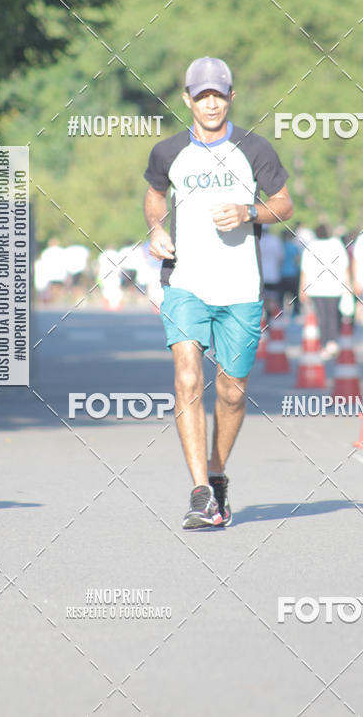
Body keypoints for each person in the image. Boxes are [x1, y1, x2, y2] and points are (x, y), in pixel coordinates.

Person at [144, 56, 293, 529]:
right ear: (187, 99)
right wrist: (155, 227)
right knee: (187, 379)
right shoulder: (168, 152)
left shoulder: (255, 149)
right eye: (201, 95)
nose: (211, 103)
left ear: (232, 97)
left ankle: (217, 473)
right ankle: (200, 494)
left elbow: (283, 203)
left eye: (219, 94)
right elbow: (154, 193)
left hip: (241, 288)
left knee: (231, 392)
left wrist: (249, 212)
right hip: (185, 281)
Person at [299, 224, 350, 359]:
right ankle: (332, 342)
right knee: (333, 315)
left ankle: (324, 343)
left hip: (316, 288)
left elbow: (304, 269)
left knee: (322, 316)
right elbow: (345, 266)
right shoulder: (337, 246)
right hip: (335, 287)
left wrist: (302, 288)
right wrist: (347, 284)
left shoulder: (311, 247)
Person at [260, 225, 284, 320]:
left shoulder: (256, 240)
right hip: (273, 275)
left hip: (260, 276)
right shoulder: (275, 240)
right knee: (272, 300)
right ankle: (271, 320)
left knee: (261, 300)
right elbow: (280, 258)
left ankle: (263, 320)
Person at [280, 227, 301, 316]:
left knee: (281, 296)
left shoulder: (280, 246)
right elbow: (297, 260)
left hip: (282, 274)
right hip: (292, 274)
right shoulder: (294, 247)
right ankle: (295, 312)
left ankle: (280, 312)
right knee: (294, 295)